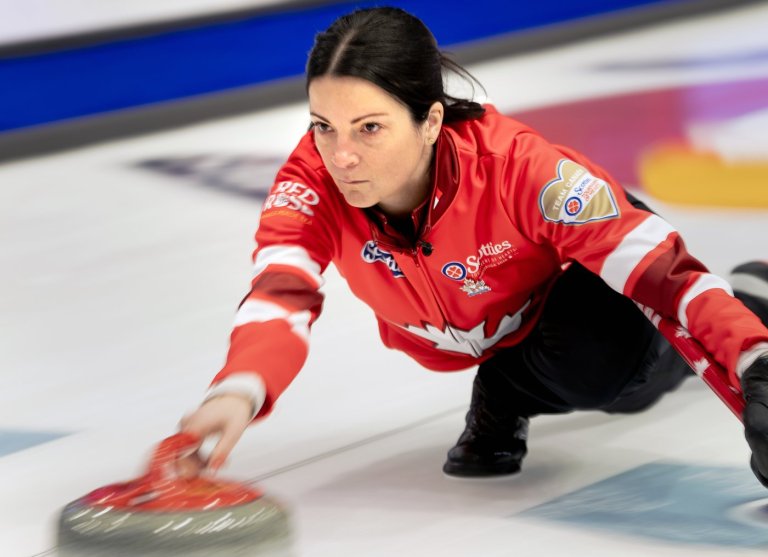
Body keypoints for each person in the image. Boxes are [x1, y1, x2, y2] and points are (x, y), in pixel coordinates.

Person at [178, 7, 768, 485]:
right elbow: (282, 290)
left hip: (575, 300)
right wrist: (240, 388)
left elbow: (662, 272)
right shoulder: (310, 184)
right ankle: (510, 385)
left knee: (620, 377)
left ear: (431, 121)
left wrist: (755, 363)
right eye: (323, 126)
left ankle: (746, 300)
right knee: (597, 371)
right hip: (496, 330)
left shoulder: (520, 168)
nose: (342, 155)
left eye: (370, 127)